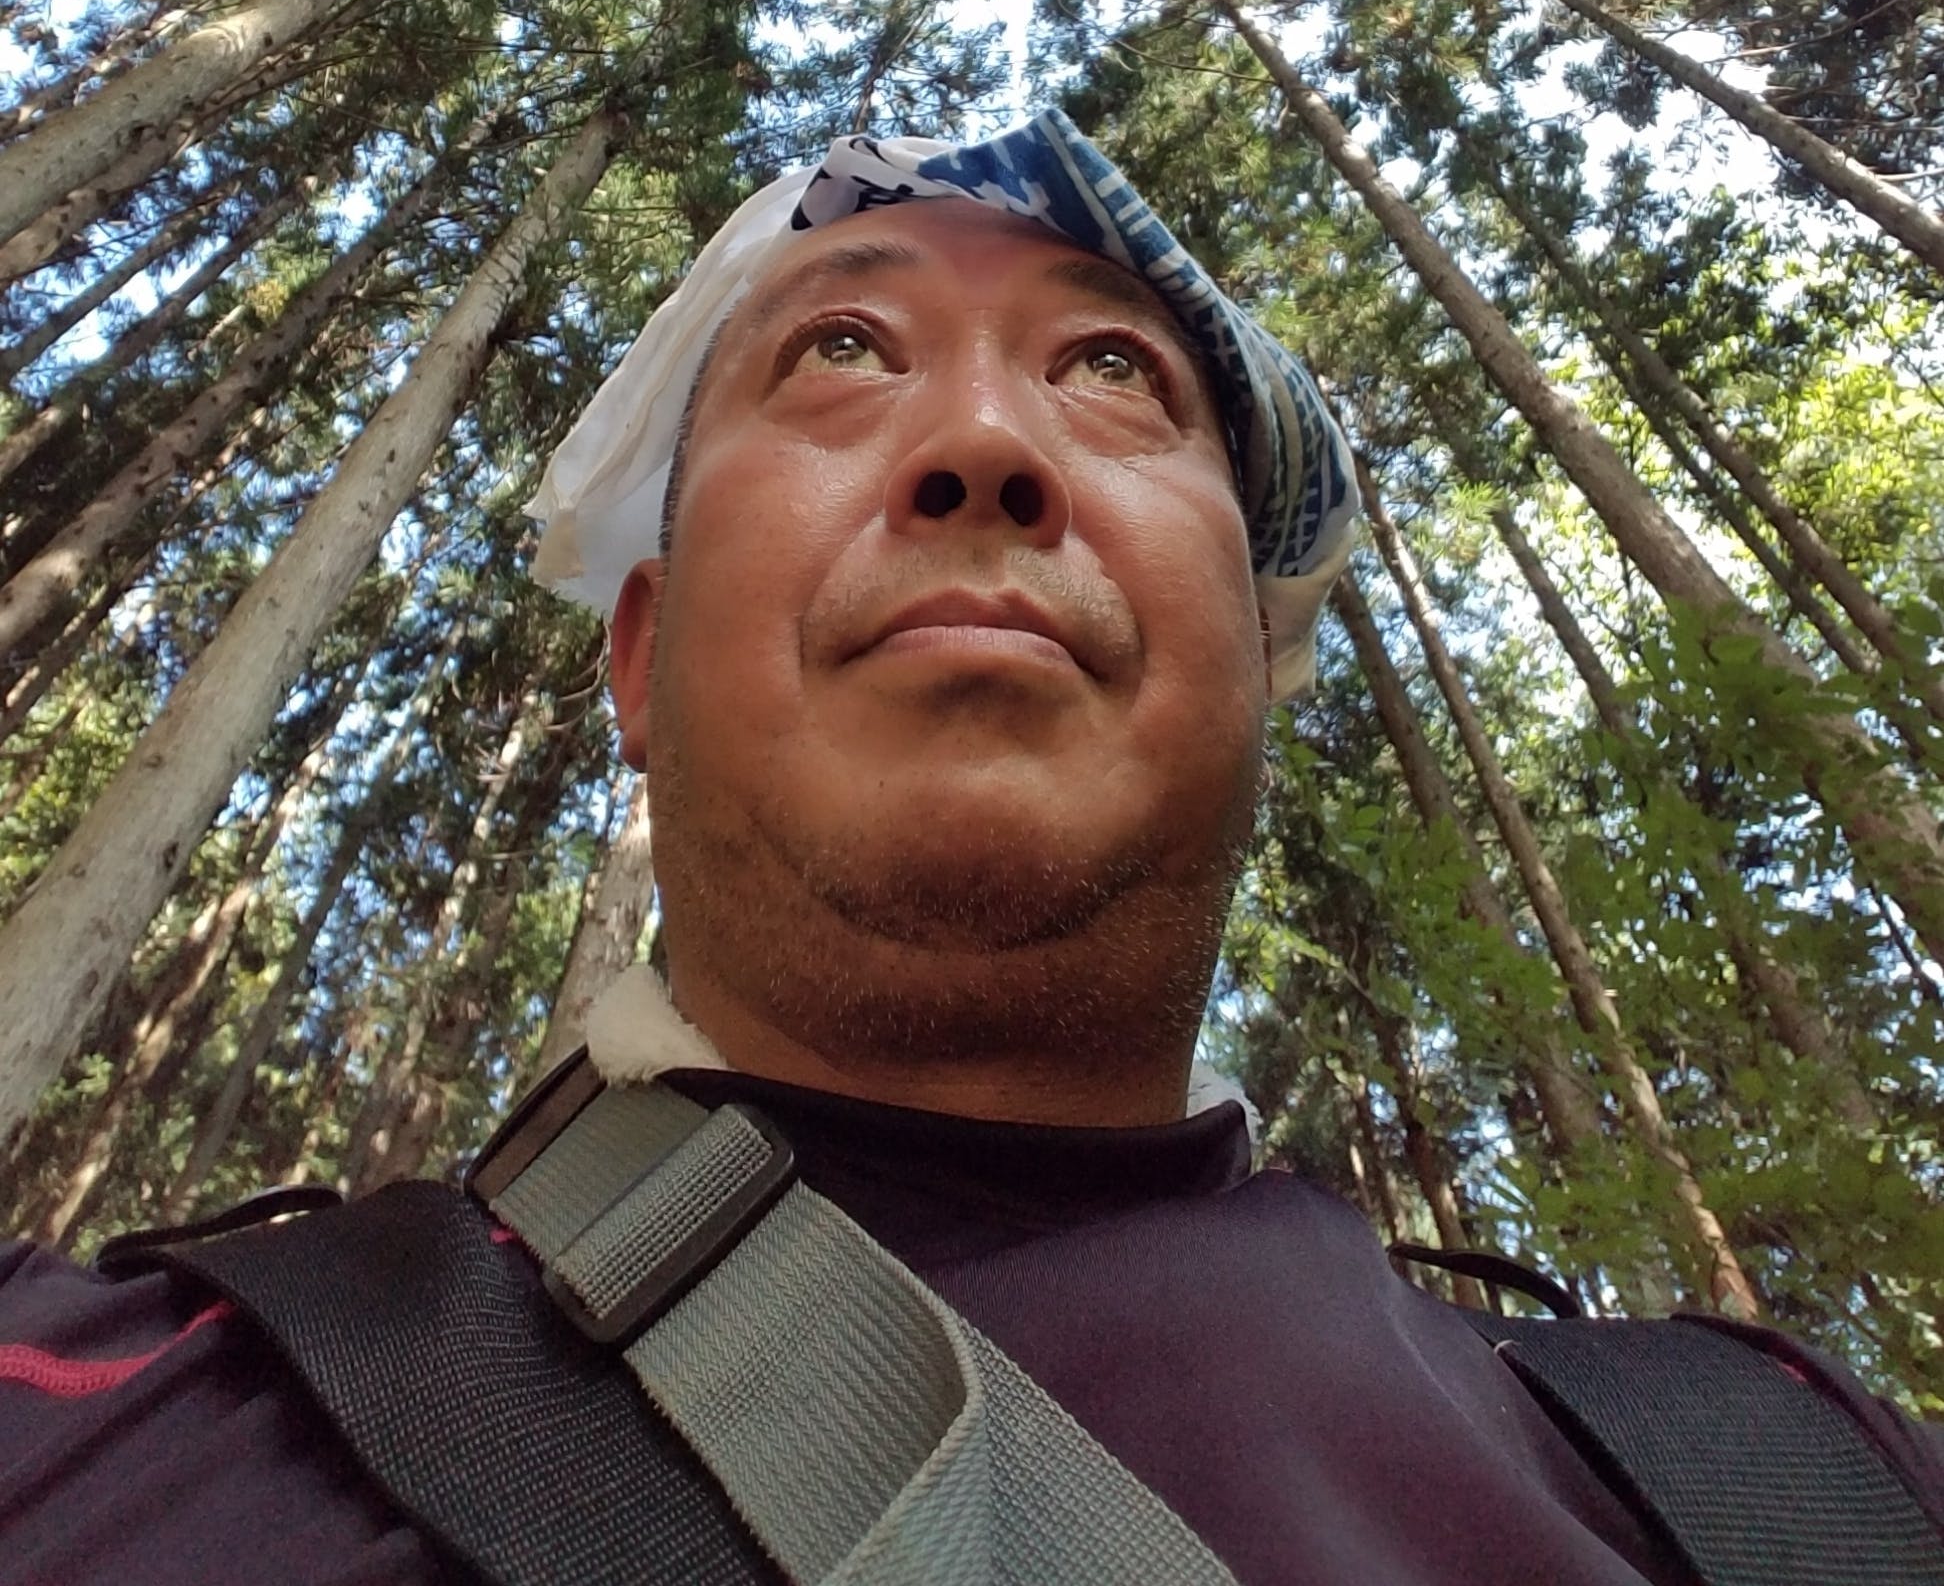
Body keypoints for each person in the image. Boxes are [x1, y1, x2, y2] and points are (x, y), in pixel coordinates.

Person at [0, 108, 1937, 1586]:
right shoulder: (86, 1408)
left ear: (1258, 652)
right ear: (645, 655)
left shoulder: (1804, 1485)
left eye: (1112, 373)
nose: (987, 444)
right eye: (844, 348)